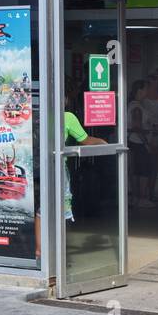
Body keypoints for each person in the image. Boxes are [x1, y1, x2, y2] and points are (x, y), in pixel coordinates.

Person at [63, 93, 104, 222]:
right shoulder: (67, 117)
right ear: (65, 99)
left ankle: (43, 242)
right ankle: (58, 240)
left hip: (37, 167)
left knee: (41, 210)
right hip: (56, 169)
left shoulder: (38, 114)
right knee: (61, 206)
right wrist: (103, 142)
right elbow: (85, 140)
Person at [139, 69, 158, 201]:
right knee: (144, 163)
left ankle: (151, 192)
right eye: (153, 77)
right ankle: (141, 193)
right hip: (144, 129)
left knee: (154, 164)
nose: (155, 80)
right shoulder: (142, 92)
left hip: (156, 129)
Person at [127, 79, 153, 207]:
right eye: (146, 88)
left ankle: (136, 197)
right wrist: (146, 143)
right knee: (142, 171)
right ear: (140, 91)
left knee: (135, 170)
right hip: (138, 143)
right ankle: (141, 198)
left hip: (134, 142)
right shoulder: (137, 107)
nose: (147, 91)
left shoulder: (134, 105)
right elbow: (137, 126)